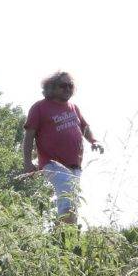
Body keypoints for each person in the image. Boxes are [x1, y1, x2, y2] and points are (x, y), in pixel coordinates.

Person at [23, 71, 103, 225]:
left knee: (72, 203)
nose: (67, 89)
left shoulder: (74, 107)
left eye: (70, 85)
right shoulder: (40, 107)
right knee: (68, 201)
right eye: (63, 86)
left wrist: (93, 141)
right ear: (51, 87)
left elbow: (84, 127)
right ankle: (65, 238)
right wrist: (27, 162)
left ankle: (65, 239)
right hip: (53, 164)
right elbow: (29, 135)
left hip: (74, 166)